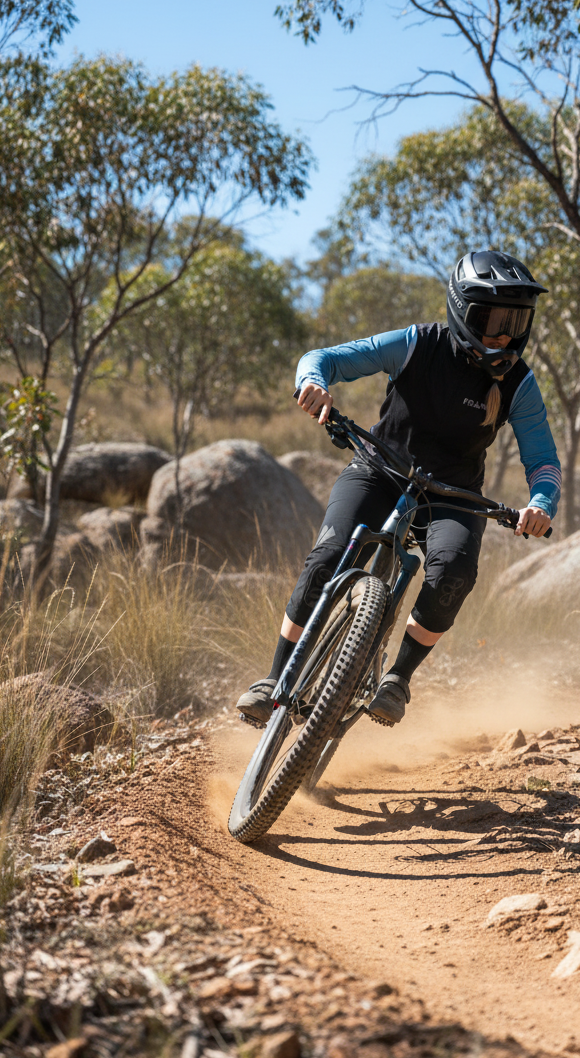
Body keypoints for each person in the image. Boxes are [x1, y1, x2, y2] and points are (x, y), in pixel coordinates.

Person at [236, 250, 561, 728]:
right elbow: (322, 359)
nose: (505, 336)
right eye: (493, 320)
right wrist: (313, 383)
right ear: (462, 311)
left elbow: (544, 461)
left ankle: (397, 679)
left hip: (453, 497)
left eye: (516, 322)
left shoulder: (519, 384)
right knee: (328, 558)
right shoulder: (416, 344)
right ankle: (275, 678)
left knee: (454, 572)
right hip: (379, 471)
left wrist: (540, 503)